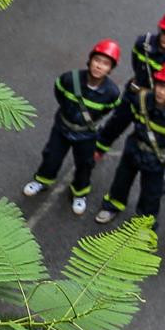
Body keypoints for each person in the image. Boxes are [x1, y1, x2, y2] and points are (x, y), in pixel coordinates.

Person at [23, 40, 123, 215]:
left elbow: (109, 108)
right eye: (97, 60)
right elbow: (59, 92)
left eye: (105, 64)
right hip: (62, 128)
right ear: (90, 60)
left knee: (85, 164)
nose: (99, 66)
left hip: (86, 135)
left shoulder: (112, 93)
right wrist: (69, 112)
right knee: (52, 156)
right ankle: (42, 180)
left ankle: (80, 193)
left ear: (110, 69)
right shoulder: (70, 79)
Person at [94, 61, 165, 225]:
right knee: (121, 180)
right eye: (160, 86)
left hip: (156, 158)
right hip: (134, 148)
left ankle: (144, 223)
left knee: (151, 193)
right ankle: (113, 205)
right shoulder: (140, 99)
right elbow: (131, 118)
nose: (162, 92)